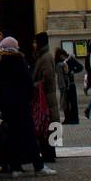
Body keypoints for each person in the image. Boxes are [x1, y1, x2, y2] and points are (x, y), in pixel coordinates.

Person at [0, 37, 47, 176]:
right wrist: (28, 98)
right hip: (21, 104)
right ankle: (38, 166)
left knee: (12, 135)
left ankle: (16, 167)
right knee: (29, 135)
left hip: (7, 105)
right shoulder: (19, 61)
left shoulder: (0, 63)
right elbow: (28, 82)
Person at [32, 32, 60, 164]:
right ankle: (50, 153)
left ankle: (49, 153)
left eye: (35, 42)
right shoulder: (42, 57)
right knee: (48, 124)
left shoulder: (45, 58)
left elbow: (47, 78)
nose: (33, 44)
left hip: (46, 97)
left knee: (47, 124)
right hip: (47, 96)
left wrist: (34, 85)